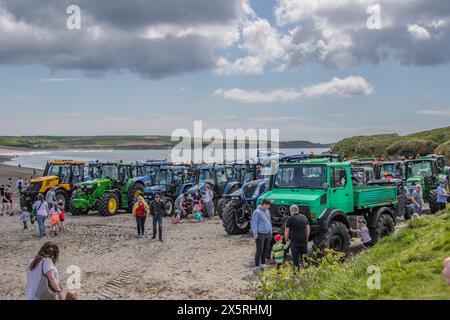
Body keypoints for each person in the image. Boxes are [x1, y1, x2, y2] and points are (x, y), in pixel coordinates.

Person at [285, 205, 310, 270]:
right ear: (298, 210)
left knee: (295, 259)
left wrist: (286, 239)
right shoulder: (304, 217)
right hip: (304, 242)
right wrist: (307, 238)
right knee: (304, 259)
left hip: (294, 242)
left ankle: (297, 275)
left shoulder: (290, 218)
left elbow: (287, 230)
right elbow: (308, 228)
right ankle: (307, 273)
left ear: (291, 211)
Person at [251, 199, 272, 273]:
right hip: (260, 234)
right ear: (264, 204)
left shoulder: (267, 211)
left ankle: (263, 264)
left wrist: (271, 232)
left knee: (266, 250)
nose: (268, 207)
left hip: (268, 233)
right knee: (259, 250)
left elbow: (269, 222)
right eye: (268, 206)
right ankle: (256, 266)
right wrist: (255, 234)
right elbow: (254, 223)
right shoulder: (257, 212)